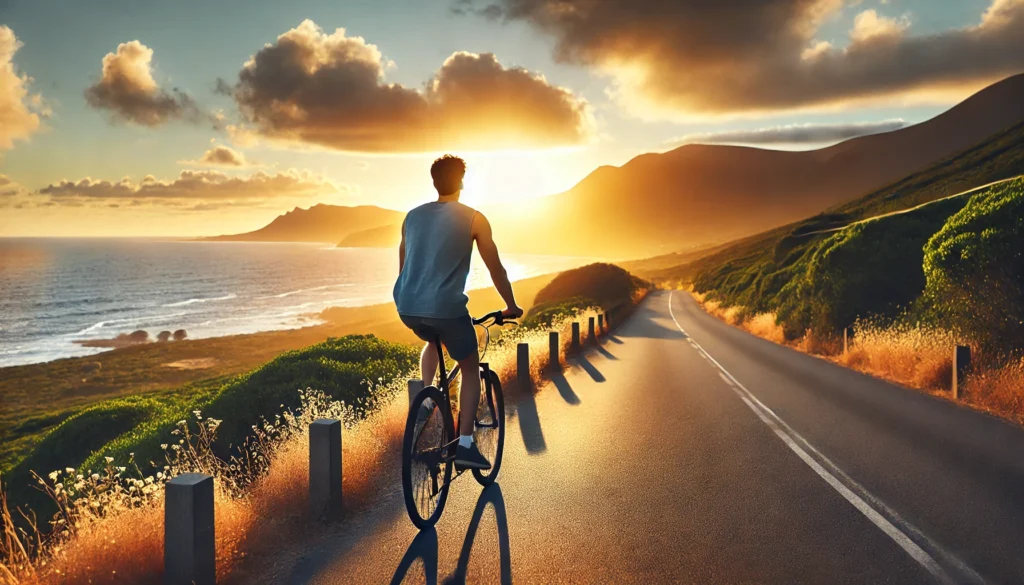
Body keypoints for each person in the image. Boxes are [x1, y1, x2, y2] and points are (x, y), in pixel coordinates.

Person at [394, 154, 523, 470]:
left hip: (408, 306)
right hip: (446, 308)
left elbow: (403, 264)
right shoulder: (475, 218)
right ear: (462, 182)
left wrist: (412, 295)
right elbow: (496, 269)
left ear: (434, 182)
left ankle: (426, 401)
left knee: (432, 340)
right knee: (469, 366)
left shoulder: (411, 217)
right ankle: (465, 445)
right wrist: (510, 305)